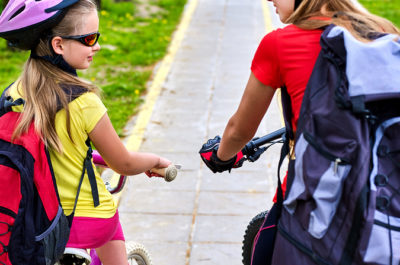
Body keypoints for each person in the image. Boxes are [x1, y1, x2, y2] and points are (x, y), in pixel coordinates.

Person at [0, 0, 171, 263]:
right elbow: (123, 162)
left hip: (33, 221)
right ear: (58, 45)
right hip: (84, 222)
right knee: (110, 225)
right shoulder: (83, 102)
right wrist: (156, 162)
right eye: (90, 39)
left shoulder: (14, 94)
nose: (98, 46)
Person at [200, 0, 399, 190]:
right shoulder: (384, 31)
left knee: (273, 224)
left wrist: (220, 157)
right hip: (389, 188)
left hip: (317, 195)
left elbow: (239, 131)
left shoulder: (279, 43)